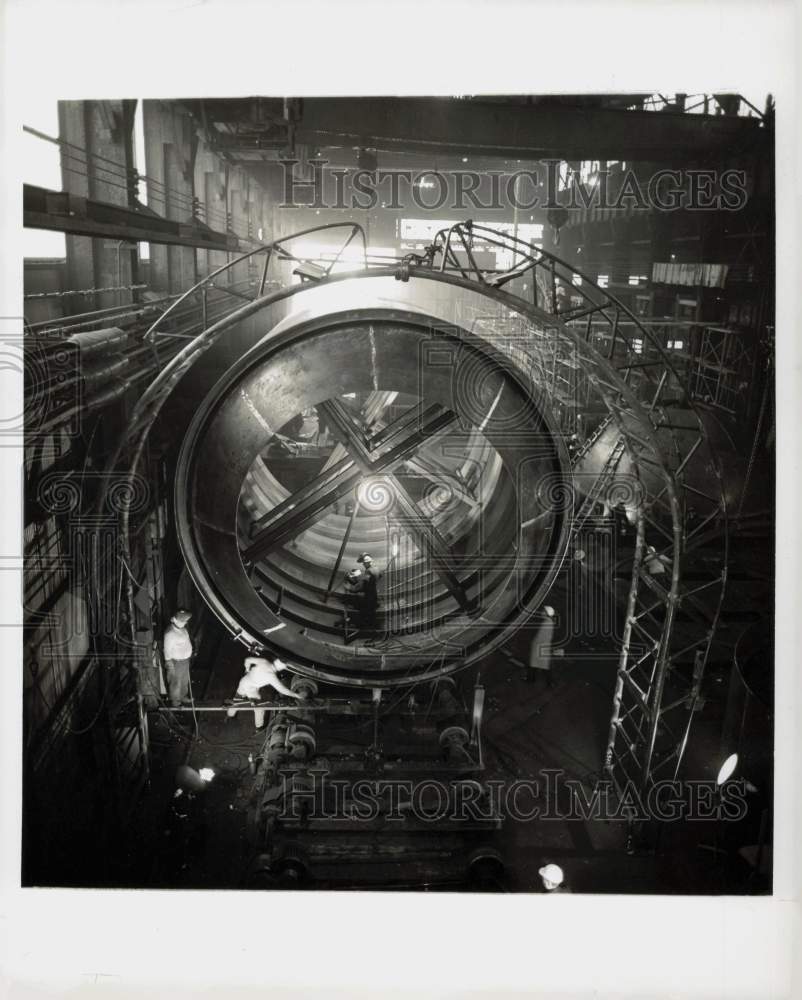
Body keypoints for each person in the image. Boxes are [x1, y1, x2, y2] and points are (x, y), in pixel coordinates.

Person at [227, 656, 302, 729]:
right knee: (259, 708)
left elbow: (248, 659)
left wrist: (247, 669)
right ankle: (259, 727)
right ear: (279, 668)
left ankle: (230, 715)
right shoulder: (271, 676)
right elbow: (282, 689)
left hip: (244, 681)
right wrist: (296, 695)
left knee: (237, 700)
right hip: (251, 689)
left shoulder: (264, 662)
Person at [163, 609, 193, 707]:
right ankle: (175, 702)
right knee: (175, 682)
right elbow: (167, 650)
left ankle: (183, 697)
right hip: (176, 662)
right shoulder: (170, 634)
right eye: (184, 621)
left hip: (185, 661)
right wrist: (169, 664)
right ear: (176, 620)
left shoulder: (182, 629)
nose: (186, 622)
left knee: (184, 680)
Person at [526, 605, 557, 686]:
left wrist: (534, 644)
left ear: (546, 613)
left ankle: (549, 682)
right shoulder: (548, 622)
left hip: (540, 648)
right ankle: (531, 679)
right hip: (541, 648)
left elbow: (542, 637)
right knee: (538, 665)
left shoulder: (547, 623)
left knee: (541, 665)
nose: (541, 612)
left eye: (543, 611)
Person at [357, 553, 381, 633]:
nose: (363, 564)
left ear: (367, 562)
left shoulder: (368, 571)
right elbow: (380, 575)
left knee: (367, 611)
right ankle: (373, 625)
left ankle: (367, 628)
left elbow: (364, 586)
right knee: (372, 610)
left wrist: (354, 589)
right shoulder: (377, 568)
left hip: (369, 595)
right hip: (374, 593)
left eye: (363, 563)